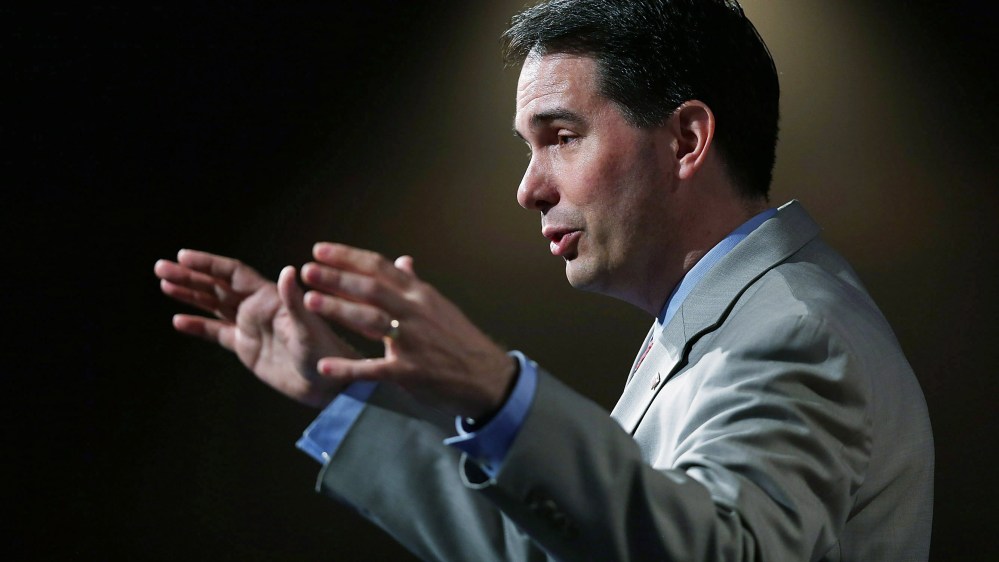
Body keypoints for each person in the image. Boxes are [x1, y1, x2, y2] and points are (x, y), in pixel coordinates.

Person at [154, 0, 933, 559]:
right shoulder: (726, 322)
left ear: (687, 139)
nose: (529, 188)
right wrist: (340, 397)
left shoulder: (792, 328)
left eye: (559, 137)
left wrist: (498, 391)